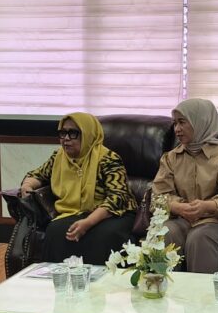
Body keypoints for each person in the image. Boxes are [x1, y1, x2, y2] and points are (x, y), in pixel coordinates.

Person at [20, 112, 137, 265]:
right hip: (74, 211)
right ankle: (60, 277)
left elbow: (118, 197)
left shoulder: (108, 158)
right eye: (63, 133)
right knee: (55, 230)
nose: (66, 138)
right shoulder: (59, 157)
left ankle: (100, 279)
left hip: (112, 214)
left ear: (88, 134)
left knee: (105, 234)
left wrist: (88, 222)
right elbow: (37, 175)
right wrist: (27, 185)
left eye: (73, 133)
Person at [151, 98, 218, 273]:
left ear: (201, 122)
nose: (177, 129)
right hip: (184, 218)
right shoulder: (170, 158)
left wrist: (207, 206)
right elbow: (157, 198)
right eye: (175, 123)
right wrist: (177, 207)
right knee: (165, 231)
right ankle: (162, 287)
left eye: (182, 122)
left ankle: (201, 291)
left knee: (199, 236)